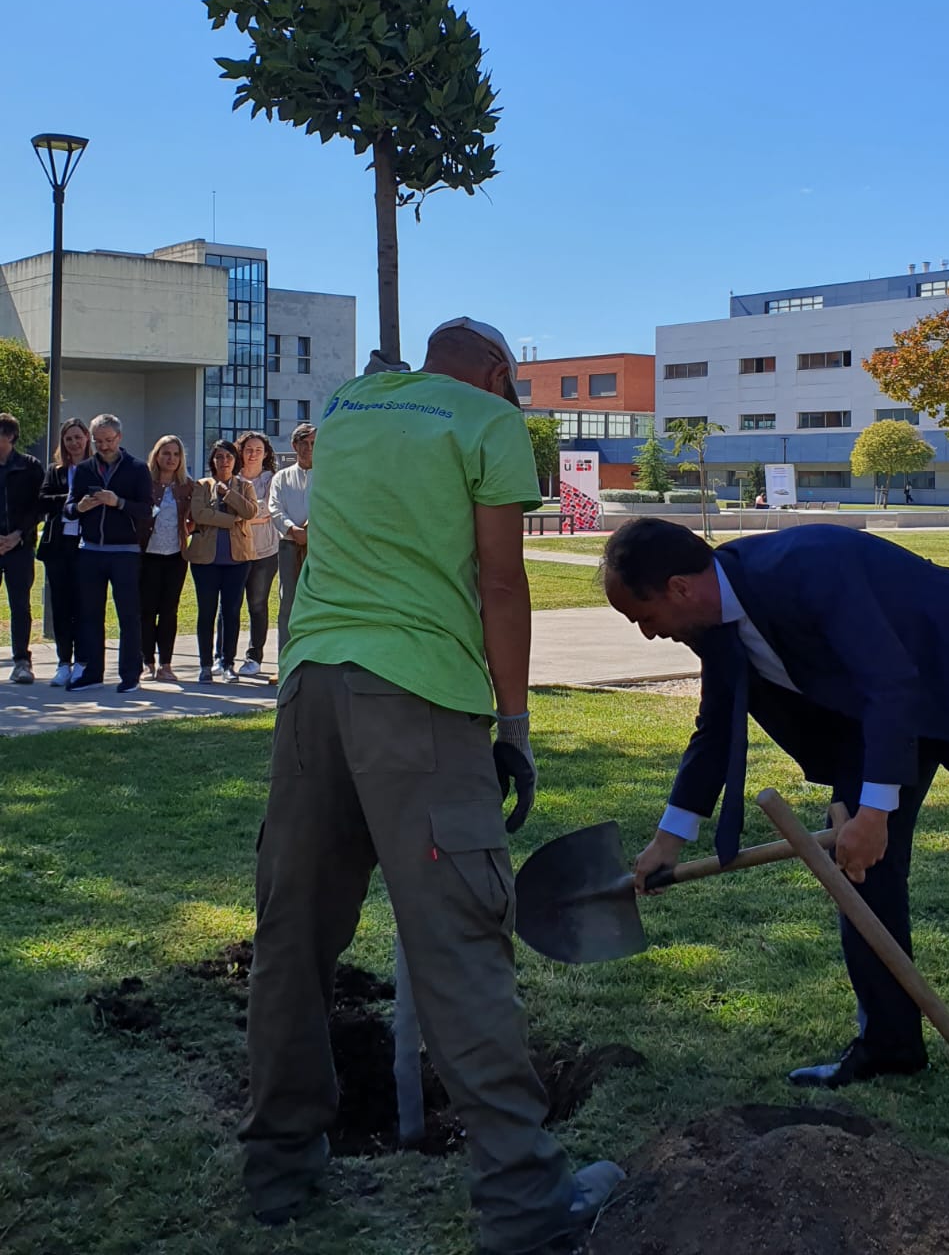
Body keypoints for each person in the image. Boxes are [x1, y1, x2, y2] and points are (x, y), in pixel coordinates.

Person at [240, 318, 621, 1248]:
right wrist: (517, 726)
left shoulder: (346, 406)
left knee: (293, 933)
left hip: (312, 689)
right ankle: (527, 1205)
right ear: (497, 374)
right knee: (460, 942)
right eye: (515, 388)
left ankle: (279, 1169)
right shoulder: (487, 423)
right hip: (422, 701)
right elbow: (501, 582)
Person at [602, 518, 949, 1176]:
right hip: (879, 714)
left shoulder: (806, 569)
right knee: (860, 878)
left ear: (679, 588)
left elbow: (892, 679)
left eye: (641, 615)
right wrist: (668, 839)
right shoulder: (711, 621)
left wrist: (875, 809)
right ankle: (889, 1043)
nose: (646, 632)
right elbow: (716, 728)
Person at [65, 414, 152, 694]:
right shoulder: (85, 469)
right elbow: (67, 508)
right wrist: (80, 508)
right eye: (98, 441)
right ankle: (92, 672)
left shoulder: (137, 469)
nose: (103, 446)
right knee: (90, 615)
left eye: (108, 440)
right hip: (90, 551)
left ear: (120, 438)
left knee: (128, 616)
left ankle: (130, 674)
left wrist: (119, 502)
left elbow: (146, 510)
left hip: (125, 552)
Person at [188, 440, 257, 682]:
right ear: (212, 461)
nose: (224, 461)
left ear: (235, 460)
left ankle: (228, 663)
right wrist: (230, 520)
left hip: (237, 560)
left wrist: (228, 494)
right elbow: (198, 514)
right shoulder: (201, 485)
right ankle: (206, 665)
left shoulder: (245, 486)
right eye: (219, 457)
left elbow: (250, 512)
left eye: (228, 456)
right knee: (206, 612)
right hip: (205, 560)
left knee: (231, 612)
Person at [37, 417, 91, 686]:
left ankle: (82, 661)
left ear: (86, 439)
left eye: (78, 437)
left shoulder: (95, 469)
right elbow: (43, 501)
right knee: (61, 606)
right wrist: (72, 499)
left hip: (87, 546)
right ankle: (63, 662)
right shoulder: (55, 471)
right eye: (69, 438)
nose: (74, 443)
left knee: (83, 606)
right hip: (58, 547)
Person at [141, 435, 195, 683]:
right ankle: (147, 661)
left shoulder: (187, 486)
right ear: (157, 455)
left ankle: (166, 663)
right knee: (146, 610)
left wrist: (190, 527)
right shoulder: (144, 483)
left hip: (175, 555)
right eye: (166, 453)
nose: (171, 458)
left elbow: (197, 517)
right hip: (147, 554)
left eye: (175, 454)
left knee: (169, 610)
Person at [0, 413, 45, 685]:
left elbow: (38, 506)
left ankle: (22, 662)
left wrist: (18, 535)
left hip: (20, 546)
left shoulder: (30, 467)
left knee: (20, 605)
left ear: (10, 437)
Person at [232, 430, 280, 677]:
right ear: (240, 451)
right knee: (229, 605)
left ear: (266, 454)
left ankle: (254, 656)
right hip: (235, 550)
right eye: (248, 449)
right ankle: (224, 657)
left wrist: (243, 513)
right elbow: (231, 514)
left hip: (265, 552)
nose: (252, 454)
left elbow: (268, 511)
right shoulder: (232, 477)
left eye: (258, 450)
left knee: (258, 604)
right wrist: (251, 514)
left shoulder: (273, 479)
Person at [268, 421, 315, 650]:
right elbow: (274, 507)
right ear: (294, 445)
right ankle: (285, 660)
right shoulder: (282, 477)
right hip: (289, 546)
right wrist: (292, 529)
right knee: (288, 602)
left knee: (317, 603)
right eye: (303, 443)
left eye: (313, 443)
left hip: (319, 548)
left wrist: (310, 531)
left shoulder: (329, 477)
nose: (308, 448)